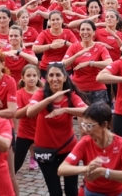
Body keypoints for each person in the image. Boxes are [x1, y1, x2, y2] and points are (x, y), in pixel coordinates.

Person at [26, 62, 87, 196]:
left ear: (65, 78)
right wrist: (50, 99)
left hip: (68, 148)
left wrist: (65, 109)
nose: (55, 78)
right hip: (45, 149)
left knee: (72, 190)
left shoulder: (71, 96)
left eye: (58, 75)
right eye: (51, 75)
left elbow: (87, 111)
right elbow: (30, 112)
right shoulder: (40, 94)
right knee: (55, 191)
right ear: (46, 78)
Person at [58, 102, 122, 196]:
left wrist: (104, 172)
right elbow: (62, 169)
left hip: (115, 193)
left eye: (90, 126)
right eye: (84, 125)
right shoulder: (85, 142)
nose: (86, 130)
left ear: (104, 125)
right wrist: (86, 168)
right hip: (90, 192)